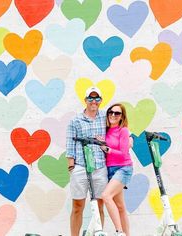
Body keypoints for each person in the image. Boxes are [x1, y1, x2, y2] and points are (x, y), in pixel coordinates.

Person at [66, 86, 108, 236]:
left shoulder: (105, 117)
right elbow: (70, 143)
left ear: (101, 101)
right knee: (78, 205)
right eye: (90, 98)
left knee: (99, 205)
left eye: (97, 98)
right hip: (81, 166)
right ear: (85, 100)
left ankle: (98, 233)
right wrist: (71, 165)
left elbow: (117, 131)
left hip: (99, 166)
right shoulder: (75, 120)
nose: (93, 101)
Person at [99, 103, 133, 236]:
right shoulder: (106, 130)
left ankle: (119, 232)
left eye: (117, 113)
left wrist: (108, 149)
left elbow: (124, 153)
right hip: (110, 170)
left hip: (123, 168)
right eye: (110, 112)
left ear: (121, 116)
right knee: (120, 207)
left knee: (106, 196)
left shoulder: (123, 130)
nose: (113, 115)